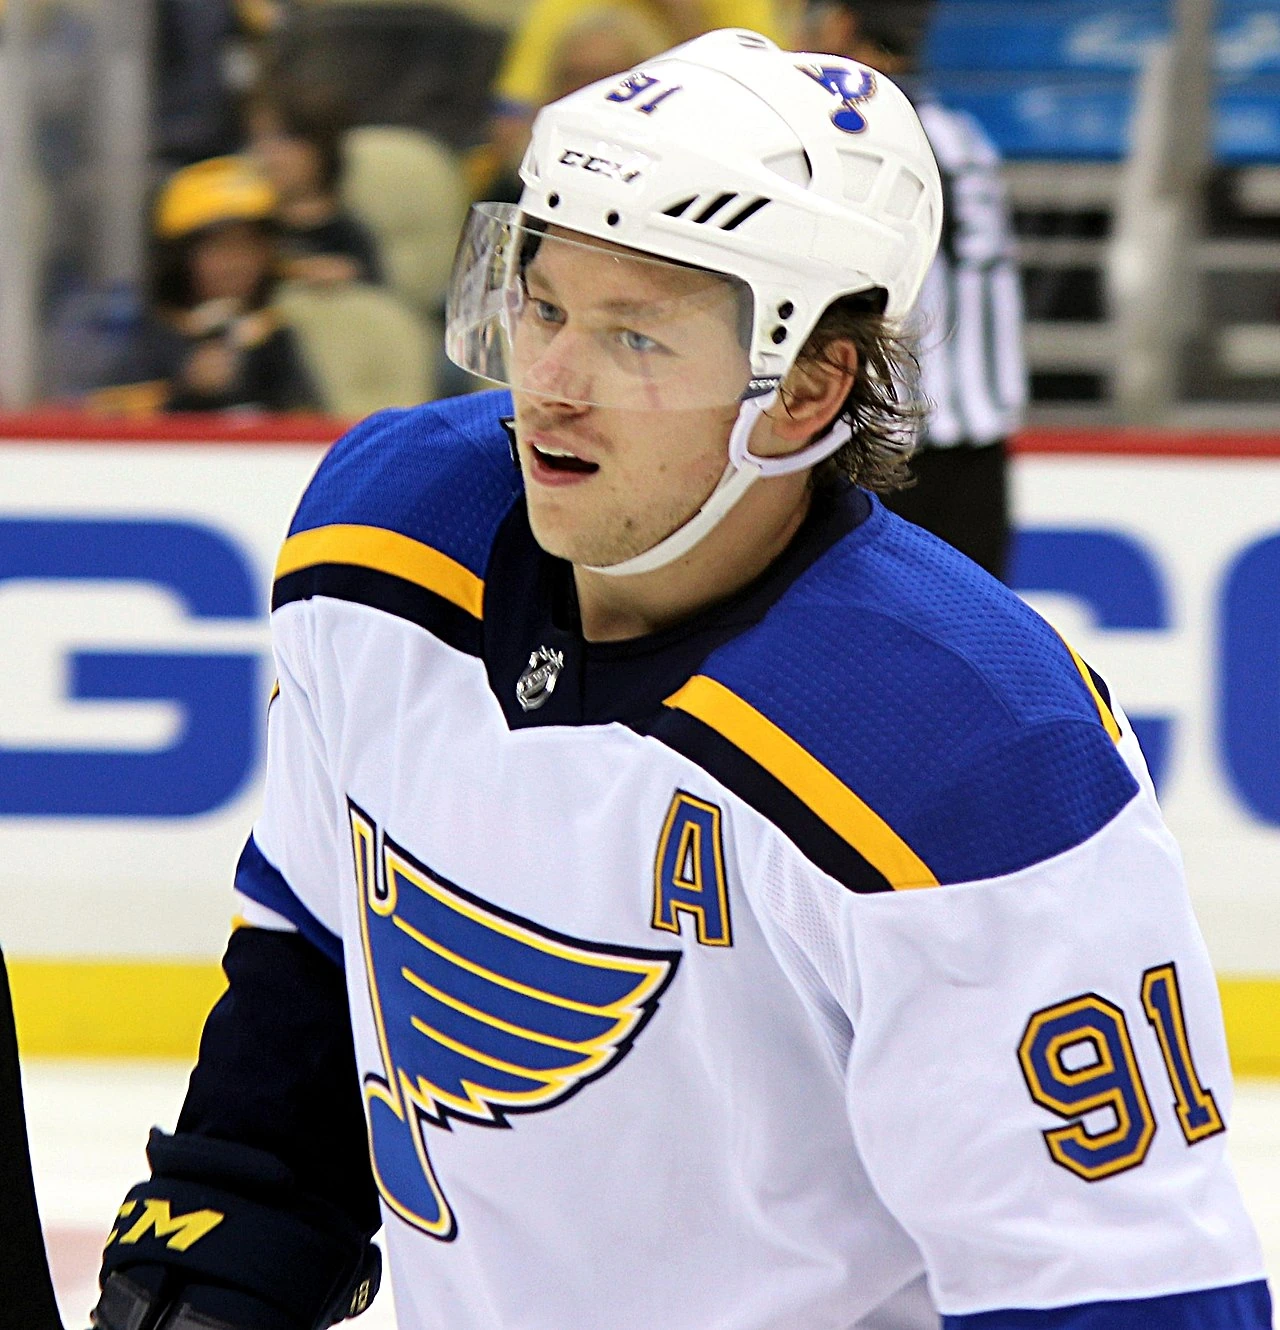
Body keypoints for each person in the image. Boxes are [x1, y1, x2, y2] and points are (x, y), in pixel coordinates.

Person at [91, 30, 1270, 1330]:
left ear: (807, 387)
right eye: (543, 306)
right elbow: (316, 967)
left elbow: (1123, 1291)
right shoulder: (383, 535)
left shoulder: (970, 746)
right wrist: (209, 1265)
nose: (549, 385)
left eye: (636, 338)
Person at [808, 0, 1027, 580]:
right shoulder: (963, 134)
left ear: (841, 25)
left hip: (895, 438)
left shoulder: (867, 138)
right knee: (974, 621)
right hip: (979, 438)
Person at [92, 156, 319, 414]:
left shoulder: (272, 336)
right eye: (217, 248)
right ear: (179, 257)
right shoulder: (150, 335)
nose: (235, 263)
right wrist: (186, 390)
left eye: (248, 246)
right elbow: (106, 419)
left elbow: (306, 420)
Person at [245, 83, 385, 288]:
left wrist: (345, 276)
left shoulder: (347, 234)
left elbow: (375, 294)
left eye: (284, 140)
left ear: (321, 148)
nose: (267, 155)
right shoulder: (251, 226)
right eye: (258, 139)